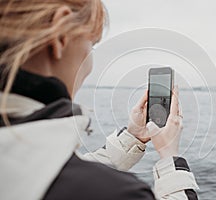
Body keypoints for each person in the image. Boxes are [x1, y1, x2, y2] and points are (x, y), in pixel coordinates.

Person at [0, 0, 199, 199]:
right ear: (60, 36)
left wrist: (133, 138)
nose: (89, 64)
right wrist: (170, 157)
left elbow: (50, 171)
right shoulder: (119, 193)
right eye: (91, 46)